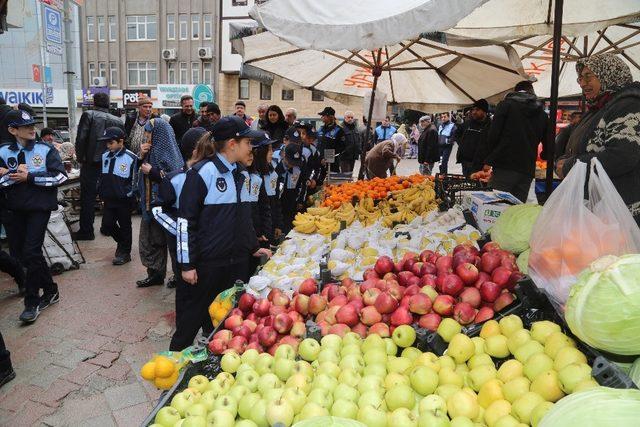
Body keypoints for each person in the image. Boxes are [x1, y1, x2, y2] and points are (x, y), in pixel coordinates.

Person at [175, 116, 270, 349]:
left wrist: (251, 246)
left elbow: (242, 218)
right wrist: (186, 264)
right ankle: (172, 366)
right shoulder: (202, 173)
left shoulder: (240, 174)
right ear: (232, 144)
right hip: (206, 266)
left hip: (235, 263)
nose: (251, 148)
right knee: (190, 322)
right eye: (248, 142)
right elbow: (185, 222)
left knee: (227, 324)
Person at [556, 53, 640, 226]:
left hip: (619, 211)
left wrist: (570, 166)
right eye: (580, 78)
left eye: (589, 76)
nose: (584, 83)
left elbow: (622, 157)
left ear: (609, 75)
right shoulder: (599, 108)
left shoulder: (627, 106)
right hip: (600, 208)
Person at [0, 110, 67, 323]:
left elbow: (59, 176)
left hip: (39, 207)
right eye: (25, 126)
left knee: (31, 252)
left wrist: (29, 176)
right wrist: (8, 176)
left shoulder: (45, 149)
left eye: (32, 125)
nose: (32, 129)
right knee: (24, 254)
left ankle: (32, 302)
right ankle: (50, 289)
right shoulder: (3, 152)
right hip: (14, 209)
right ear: (12, 130)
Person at [152, 127, 207, 350]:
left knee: (206, 290)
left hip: (205, 246)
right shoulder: (174, 179)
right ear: (196, 150)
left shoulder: (210, 176)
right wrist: (180, 230)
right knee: (186, 292)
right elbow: (158, 209)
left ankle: (208, 333)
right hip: (181, 245)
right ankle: (182, 343)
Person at [136, 118, 184, 288]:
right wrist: (140, 157)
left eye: (149, 132)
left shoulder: (170, 152)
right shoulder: (148, 150)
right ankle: (155, 274)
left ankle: (179, 276)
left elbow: (175, 178)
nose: (147, 135)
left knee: (172, 243)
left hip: (166, 208)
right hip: (149, 205)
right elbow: (138, 173)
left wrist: (154, 172)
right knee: (149, 241)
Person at [484, 81, 548, 203]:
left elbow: (493, 135)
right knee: (516, 208)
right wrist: (544, 154)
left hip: (504, 164)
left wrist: (490, 156)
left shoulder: (505, 105)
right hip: (527, 169)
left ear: (515, 90)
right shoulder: (542, 114)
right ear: (532, 92)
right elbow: (549, 144)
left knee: (493, 206)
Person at [74, 92, 123, 240]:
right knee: (109, 196)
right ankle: (107, 227)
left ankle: (87, 231)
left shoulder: (88, 115)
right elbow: (122, 141)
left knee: (88, 198)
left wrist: (80, 157)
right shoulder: (117, 120)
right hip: (111, 163)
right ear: (108, 103)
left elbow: (81, 138)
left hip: (92, 163)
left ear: (94, 102)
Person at [97, 127, 138, 266]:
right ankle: (122, 243)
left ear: (121, 141)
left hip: (124, 199)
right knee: (107, 225)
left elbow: (134, 180)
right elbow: (102, 176)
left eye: (111, 142)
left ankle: (124, 252)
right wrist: (101, 191)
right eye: (106, 143)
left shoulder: (131, 157)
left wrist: (130, 194)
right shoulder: (105, 156)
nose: (108, 146)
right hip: (108, 198)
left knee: (125, 225)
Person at [243, 131, 275, 279]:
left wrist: (265, 232)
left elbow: (264, 206)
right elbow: (244, 213)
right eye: (269, 150)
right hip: (246, 242)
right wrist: (253, 236)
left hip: (259, 239)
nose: (272, 154)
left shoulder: (257, 175)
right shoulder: (242, 175)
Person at [456, 99, 492, 177]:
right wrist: (462, 144)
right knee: (466, 184)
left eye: (477, 110)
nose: (474, 112)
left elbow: (493, 145)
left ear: (485, 111)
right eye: (473, 110)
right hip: (465, 162)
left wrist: (488, 162)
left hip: (480, 164)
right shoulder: (468, 123)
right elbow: (457, 134)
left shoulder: (490, 126)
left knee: (477, 186)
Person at [278, 137, 305, 233]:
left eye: (295, 163)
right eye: (290, 162)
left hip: (291, 203)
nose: (292, 165)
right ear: (284, 156)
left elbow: (301, 184)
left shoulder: (298, 169)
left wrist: (299, 199)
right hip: (278, 204)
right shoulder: (276, 168)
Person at [317, 107, 345, 173]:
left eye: (323, 115)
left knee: (332, 182)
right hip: (319, 162)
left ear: (330, 117)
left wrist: (327, 158)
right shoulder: (320, 129)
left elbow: (342, 147)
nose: (321, 117)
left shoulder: (339, 130)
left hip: (332, 164)